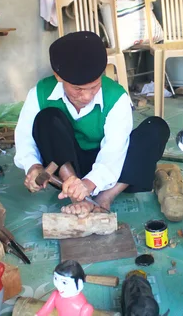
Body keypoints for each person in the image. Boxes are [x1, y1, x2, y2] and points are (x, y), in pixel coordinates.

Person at [14, 31, 170, 217]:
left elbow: (114, 151)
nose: (87, 96)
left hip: (112, 169)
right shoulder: (39, 93)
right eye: (77, 89)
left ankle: (105, 198)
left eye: (94, 87)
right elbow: (24, 137)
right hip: (69, 167)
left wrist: (88, 184)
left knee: (156, 128)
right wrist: (33, 167)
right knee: (47, 118)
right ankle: (77, 197)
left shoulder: (116, 97)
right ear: (58, 76)